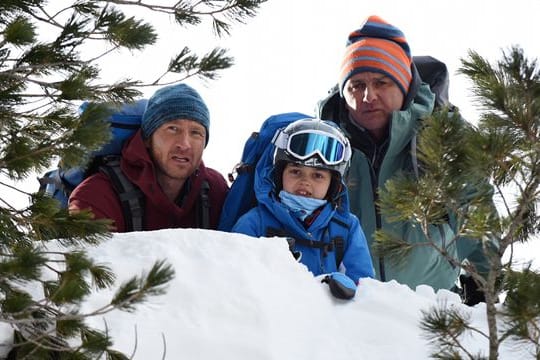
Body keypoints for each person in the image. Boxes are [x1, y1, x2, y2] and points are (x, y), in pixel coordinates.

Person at [317, 15, 491, 297]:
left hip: (430, 307)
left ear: (405, 87)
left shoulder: (441, 137)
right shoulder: (323, 142)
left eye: (382, 82)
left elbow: (476, 210)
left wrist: (486, 281)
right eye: (356, 85)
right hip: (345, 307)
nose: (368, 95)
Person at [69, 83, 229, 232]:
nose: (185, 144)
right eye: (173, 129)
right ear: (146, 138)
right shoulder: (97, 196)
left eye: (196, 133)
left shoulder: (215, 190)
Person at [231, 118, 374, 284]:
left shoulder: (346, 228)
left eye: (318, 175)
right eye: (296, 172)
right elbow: (236, 283)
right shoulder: (255, 223)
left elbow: (365, 288)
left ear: (333, 184)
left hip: (329, 309)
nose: (305, 182)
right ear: (278, 175)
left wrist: (344, 290)